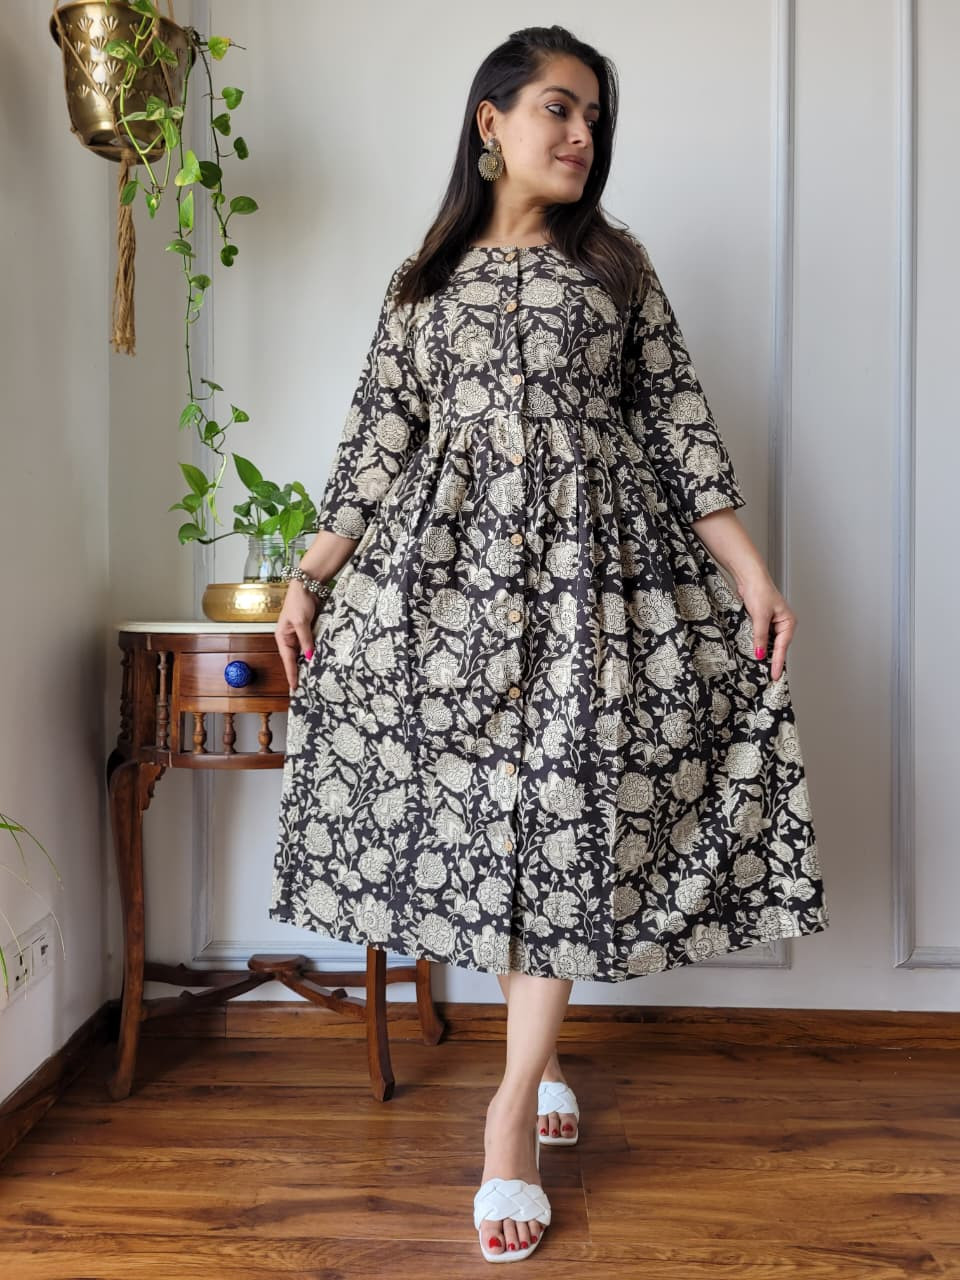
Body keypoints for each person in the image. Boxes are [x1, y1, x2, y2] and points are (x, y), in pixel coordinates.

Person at [270, 23, 831, 1264]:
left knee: (570, 812)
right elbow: (377, 444)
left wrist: (757, 580)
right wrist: (305, 577)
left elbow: (685, 430)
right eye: (559, 111)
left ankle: (511, 1105)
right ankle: (546, 1050)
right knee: (491, 824)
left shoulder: (619, 271)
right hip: (449, 599)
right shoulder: (421, 285)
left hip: (597, 591)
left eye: (594, 121)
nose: (581, 137)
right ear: (491, 122)